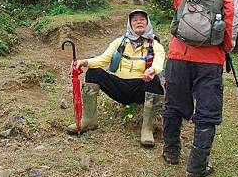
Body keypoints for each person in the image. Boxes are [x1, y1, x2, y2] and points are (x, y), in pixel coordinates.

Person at [163, 0, 238, 177]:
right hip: (210, 58)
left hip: (179, 53)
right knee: (207, 110)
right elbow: (233, 18)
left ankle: (171, 153)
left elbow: (178, 11)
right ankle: (196, 167)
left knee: (173, 103)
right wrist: (227, 46)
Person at [67, 9, 165, 147]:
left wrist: (152, 70)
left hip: (141, 87)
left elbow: (159, 61)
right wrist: (85, 62)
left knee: (155, 81)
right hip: (119, 87)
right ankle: (89, 120)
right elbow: (103, 59)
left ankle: (147, 130)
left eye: (142, 19)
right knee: (93, 72)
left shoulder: (155, 45)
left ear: (148, 23)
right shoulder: (120, 42)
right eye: (135, 20)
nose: (139, 22)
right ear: (130, 24)